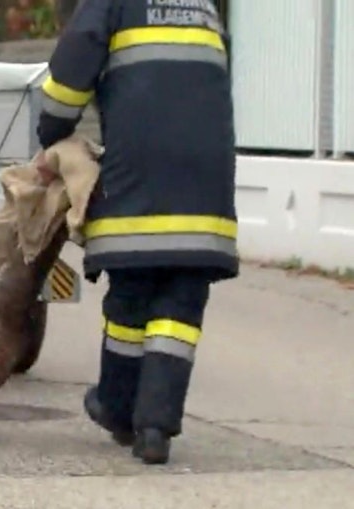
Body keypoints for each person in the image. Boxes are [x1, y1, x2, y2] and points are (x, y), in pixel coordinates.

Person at [34, 0, 237, 464]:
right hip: (206, 181)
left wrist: (53, 134)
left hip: (139, 174)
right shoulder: (203, 7)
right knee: (181, 305)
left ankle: (120, 409)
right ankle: (155, 427)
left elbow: (67, 80)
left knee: (131, 297)